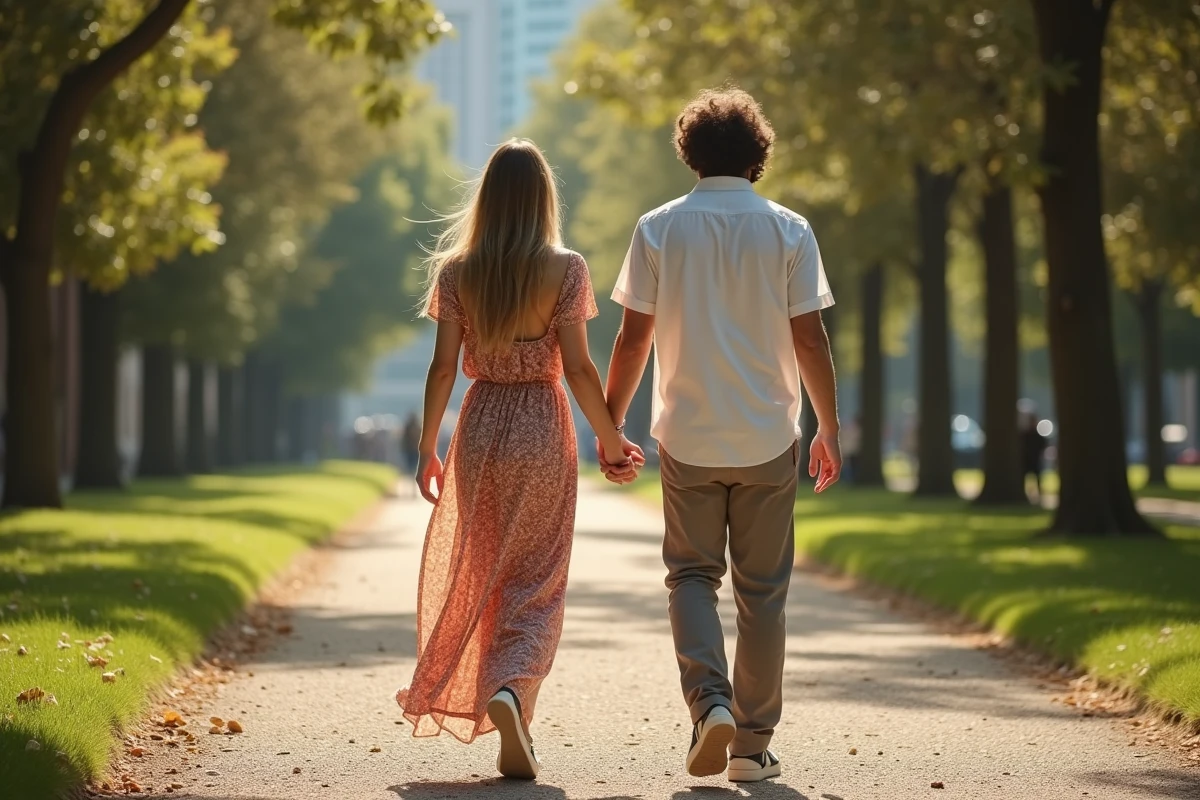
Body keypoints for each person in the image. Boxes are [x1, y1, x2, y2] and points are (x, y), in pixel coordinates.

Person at [600, 87, 841, 784]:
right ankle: (750, 745)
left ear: (690, 153)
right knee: (762, 593)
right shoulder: (790, 229)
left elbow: (631, 338)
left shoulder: (657, 228)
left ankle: (709, 705)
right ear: (758, 152)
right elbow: (810, 339)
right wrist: (828, 424)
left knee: (691, 576)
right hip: (769, 435)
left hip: (688, 434)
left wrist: (612, 424)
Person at [395, 139, 643, 780]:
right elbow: (583, 368)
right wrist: (612, 441)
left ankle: (507, 707)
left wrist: (428, 445)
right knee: (537, 576)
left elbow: (442, 367)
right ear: (543, 200)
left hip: (478, 427)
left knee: (488, 570)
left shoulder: (457, 272)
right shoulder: (567, 269)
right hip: (540, 421)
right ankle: (512, 695)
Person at [1020, 409, 1048, 502]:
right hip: (1026, 460)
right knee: (1024, 478)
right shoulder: (1025, 435)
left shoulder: (1036, 436)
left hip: (1035, 460)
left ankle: (1039, 496)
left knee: (1038, 478)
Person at [400, 412, 421, 496]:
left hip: (412, 450)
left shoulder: (409, 427)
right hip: (414, 450)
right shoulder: (416, 427)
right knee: (413, 470)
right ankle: (412, 489)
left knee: (411, 470)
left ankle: (412, 488)